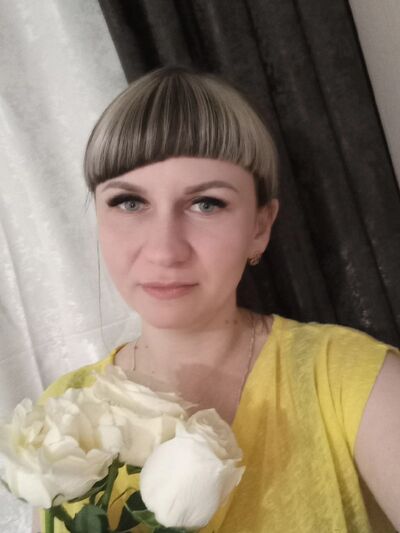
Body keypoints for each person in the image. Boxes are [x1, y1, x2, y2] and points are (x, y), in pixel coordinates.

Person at [35, 66, 400, 532]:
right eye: (129, 202)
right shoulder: (61, 415)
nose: (165, 250)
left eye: (206, 203)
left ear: (260, 227)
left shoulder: (351, 379)